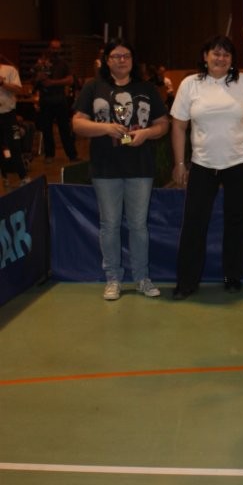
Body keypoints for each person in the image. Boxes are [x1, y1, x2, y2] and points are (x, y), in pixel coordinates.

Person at [170, 35, 243, 299]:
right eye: (215, 53)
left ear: (232, 60)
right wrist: (180, 163)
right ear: (205, 56)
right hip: (202, 164)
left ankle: (232, 276)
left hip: (241, 162)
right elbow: (178, 126)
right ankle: (186, 282)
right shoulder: (190, 84)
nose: (220, 58)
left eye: (226, 54)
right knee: (194, 222)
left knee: (237, 221)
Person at [73, 38, 169, 301]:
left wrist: (146, 133)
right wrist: (105, 128)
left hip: (140, 167)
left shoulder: (146, 88)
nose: (121, 60)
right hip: (105, 167)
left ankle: (142, 278)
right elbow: (78, 124)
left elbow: (163, 124)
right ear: (107, 60)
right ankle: (113, 278)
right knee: (110, 224)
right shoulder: (93, 87)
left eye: (126, 55)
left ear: (133, 60)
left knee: (138, 225)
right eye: (116, 56)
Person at [31, 39, 78, 163]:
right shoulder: (40, 63)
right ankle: (49, 155)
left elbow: (70, 80)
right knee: (46, 129)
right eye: (53, 48)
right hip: (45, 100)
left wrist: (53, 83)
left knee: (65, 129)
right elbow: (33, 82)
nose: (55, 50)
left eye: (57, 48)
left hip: (59, 100)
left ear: (60, 49)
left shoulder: (63, 63)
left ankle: (72, 155)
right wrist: (38, 78)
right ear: (49, 48)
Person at [0, 54, 30, 189]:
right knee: (2, 148)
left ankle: (23, 176)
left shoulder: (10, 70)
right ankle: (4, 176)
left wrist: (3, 83)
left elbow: (18, 90)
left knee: (14, 145)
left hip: (9, 115)